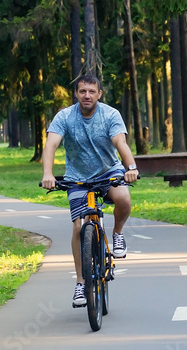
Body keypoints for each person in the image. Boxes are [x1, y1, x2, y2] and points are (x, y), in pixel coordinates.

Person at [40, 74, 139, 308]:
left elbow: (120, 143)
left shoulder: (110, 115)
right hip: (77, 178)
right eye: (82, 91)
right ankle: (80, 282)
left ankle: (117, 234)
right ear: (76, 93)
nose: (87, 95)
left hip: (108, 172)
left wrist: (131, 168)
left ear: (99, 94)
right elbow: (51, 144)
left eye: (92, 91)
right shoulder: (64, 116)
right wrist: (47, 174)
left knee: (124, 198)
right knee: (78, 227)